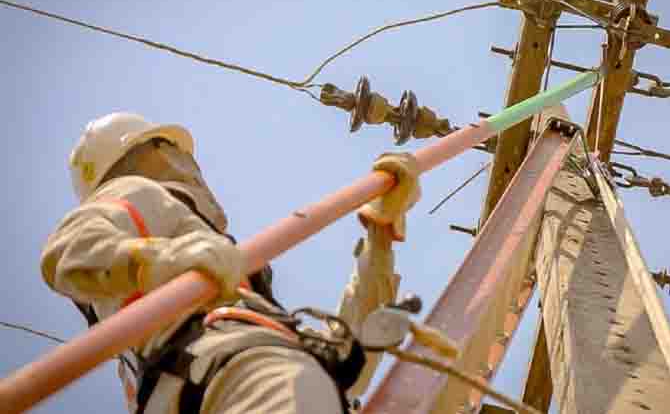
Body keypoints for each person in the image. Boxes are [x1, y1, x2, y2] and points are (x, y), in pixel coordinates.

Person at [41, 112, 420, 413]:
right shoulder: (135, 192)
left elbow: (342, 358)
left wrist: (380, 235)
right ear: (146, 155)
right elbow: (69, 249)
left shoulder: (226, 286)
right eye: (168, 150)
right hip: (233, 371)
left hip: (219, 378)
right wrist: (162, 260)